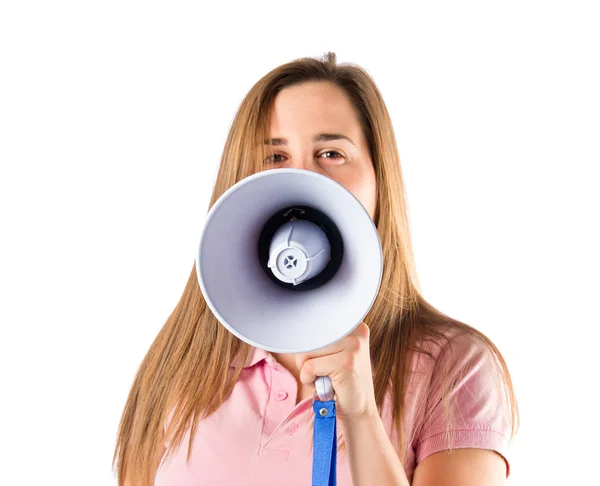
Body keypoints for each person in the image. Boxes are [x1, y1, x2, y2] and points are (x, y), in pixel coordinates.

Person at [113, 52, 519, 486]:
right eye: (274, 156)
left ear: (380, 177)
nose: (304, 177)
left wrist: (361, 414)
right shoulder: (186, 358)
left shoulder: (454, 367)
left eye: (331, 153)